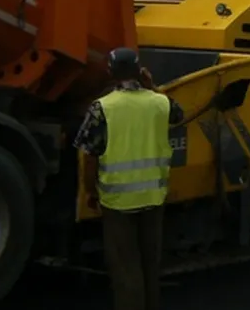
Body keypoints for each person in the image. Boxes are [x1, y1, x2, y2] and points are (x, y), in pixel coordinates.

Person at [73, 47, 184, 310]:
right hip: (154, 198)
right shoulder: (160, 103)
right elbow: (179, 115)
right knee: (149, 264)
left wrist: (90, 191)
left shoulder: (102, 109)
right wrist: (153, 85)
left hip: (118, 202)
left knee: (126, 270)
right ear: (139, 71)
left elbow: (89, 155)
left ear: (110, 74)